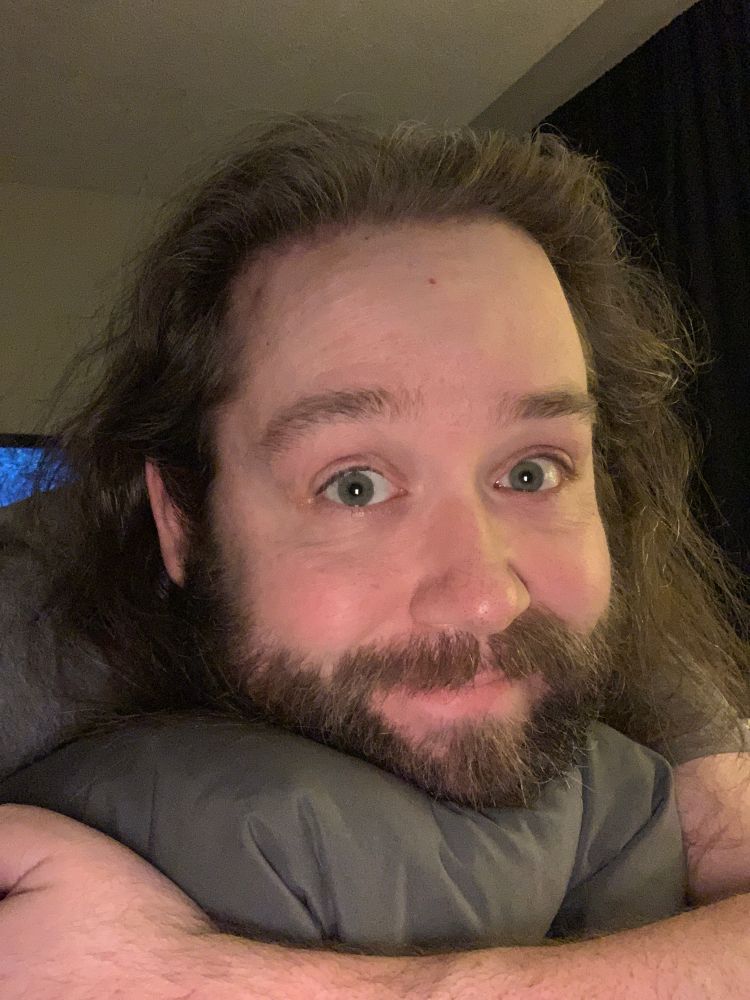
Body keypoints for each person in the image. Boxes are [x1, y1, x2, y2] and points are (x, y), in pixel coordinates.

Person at [1, 114, 749, 997]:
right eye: (354, 485)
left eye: (532, 469)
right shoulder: (26, 637)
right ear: (183, 525)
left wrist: (195, 977)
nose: (484, 598)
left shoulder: (646, 665)